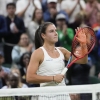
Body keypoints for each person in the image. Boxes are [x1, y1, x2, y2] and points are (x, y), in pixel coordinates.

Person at [26, 22, 88, 99]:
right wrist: (53, 78)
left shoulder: (62, 51)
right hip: (46, 95)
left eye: (55, 30)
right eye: (51, 31)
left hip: (63, 95)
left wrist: (83, 44)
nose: (56, 33)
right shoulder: (38, 53)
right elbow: (29, 78)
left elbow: (83, 60)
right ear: (43, 35)